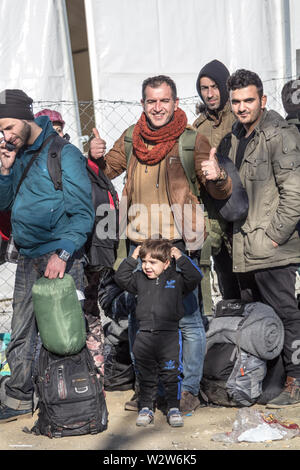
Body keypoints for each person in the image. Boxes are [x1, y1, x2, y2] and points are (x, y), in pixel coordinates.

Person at [89, 74, 232, 413]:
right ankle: (147, 390)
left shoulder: (190, 141)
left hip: (176, 247)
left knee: (188, 321)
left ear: (175, 103)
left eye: (163, 100)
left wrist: (219, 177)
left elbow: (217, 190)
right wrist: (94, 157)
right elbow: (106, 171)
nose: (157, 107)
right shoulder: (131, 139)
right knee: (141, 322)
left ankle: (190, 390)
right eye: (151, 101)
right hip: (139, 248)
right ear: (143, 104)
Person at [0, 89, 95, 421]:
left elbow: (84, 214)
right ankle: (17, 401)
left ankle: (73, 399)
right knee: (21, 332)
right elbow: (3, 204)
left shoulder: (63, 153)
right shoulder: (18, 154)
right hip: (27, 257)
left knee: (64, 333)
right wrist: (6, 171)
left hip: (59, 258)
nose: (6, 136)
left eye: (10, 127)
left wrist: (63, 253)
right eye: (1, 130)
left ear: (27, 119)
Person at [224, 69, 300, 407]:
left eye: (249, 100)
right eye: (237, 101)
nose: (242, 107)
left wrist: (274, 236)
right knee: (259, 316)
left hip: (273, 249)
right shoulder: (235, 137)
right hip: (245, 245)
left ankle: (296, 380)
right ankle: (273, 380)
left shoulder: (278, 136)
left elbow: (295, 194)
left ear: (263, 101)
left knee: (286, 312)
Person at [114, 239, 203, 427]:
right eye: (144, 262)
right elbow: (121, 277)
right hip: (144, 336)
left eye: (153, 262)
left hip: (169, 337)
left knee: (171, 374)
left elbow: (195, 276)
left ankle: (173, 408)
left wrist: (179, 256)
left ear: (167, 263)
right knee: (146, 375)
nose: (147, 266)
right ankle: (146, 407)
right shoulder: (139, 279)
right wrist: (133, 257)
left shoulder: (176, 280)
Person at [193, 59, 240, 301]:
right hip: (213, 210)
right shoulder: (198, 126)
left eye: (214, 86)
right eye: (204, 88)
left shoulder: (239, 116)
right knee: (224, 273)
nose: (210, 94)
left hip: (242, 206)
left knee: (248, 276)